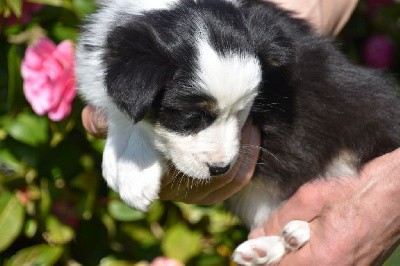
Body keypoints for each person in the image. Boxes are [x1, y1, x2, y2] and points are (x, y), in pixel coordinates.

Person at [82, 0, 400, 264]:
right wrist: (124, 125)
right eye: (195, 117)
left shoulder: (249, 43)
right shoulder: (137, 58)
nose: (225, 154)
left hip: (355, 142)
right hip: (281, 190)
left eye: (239, 113)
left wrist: (388, 196)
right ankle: (288, 234)